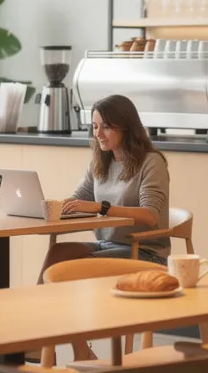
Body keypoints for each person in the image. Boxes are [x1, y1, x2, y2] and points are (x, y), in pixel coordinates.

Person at [43, 95, 170, 271]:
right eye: (95, 127)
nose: (98, 134)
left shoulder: (151, 162)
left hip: (144, 251)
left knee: (76, 266)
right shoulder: (101, 162)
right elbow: (77, 201)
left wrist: (100, 208)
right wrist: (50, 207)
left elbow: (150, 216)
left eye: (106, 127)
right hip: (107, 244)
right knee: (57, 253)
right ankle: (41, 300)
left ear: (127, 127)